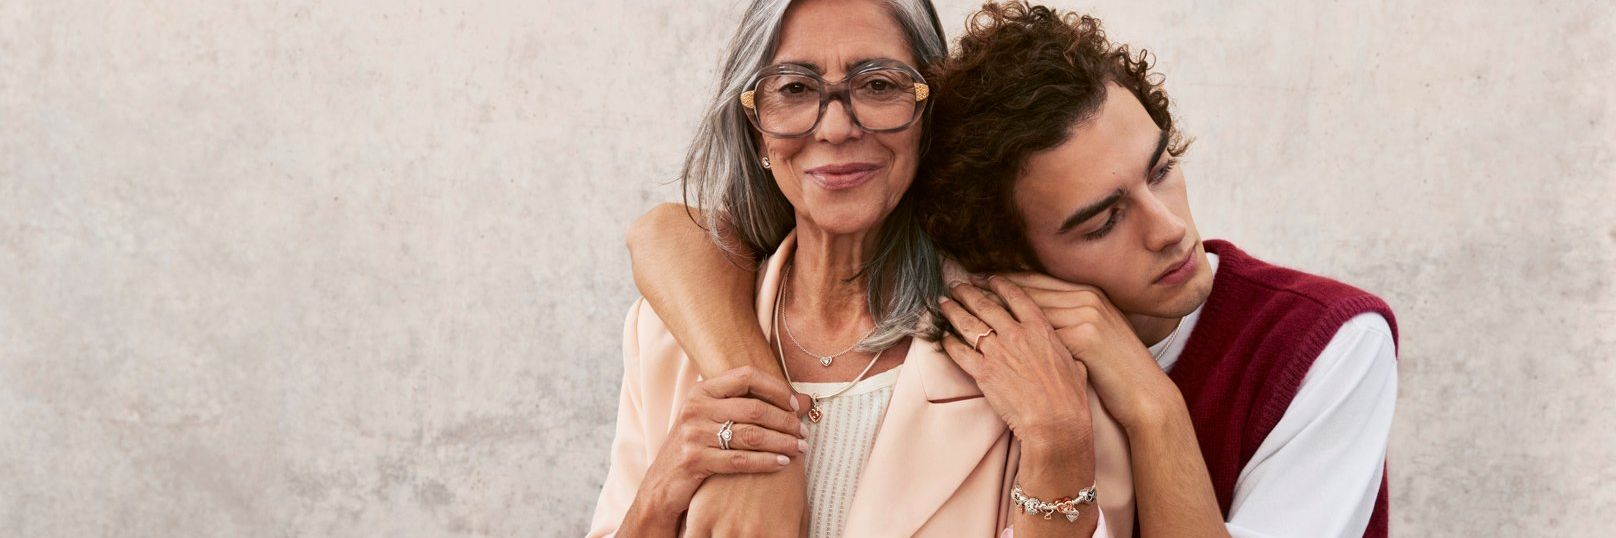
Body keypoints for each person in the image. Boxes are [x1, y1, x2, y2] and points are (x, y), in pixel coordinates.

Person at [624, 2, 1399, 537]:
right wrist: (738, 441)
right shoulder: (685, 327)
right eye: (794, 89)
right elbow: (668, 230)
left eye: (881, 86)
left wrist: (1141, 408)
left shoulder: (1324, 341)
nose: (1171, 233)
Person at [589, 1, 1134, 537]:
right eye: (794, 89)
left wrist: (1059, 447)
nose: (835, 127)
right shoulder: (663, 336)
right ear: (756, 129)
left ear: (929, 114)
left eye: (878, 85)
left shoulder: (1032, 350)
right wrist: (663, 491)